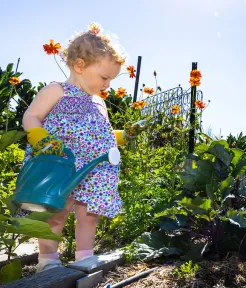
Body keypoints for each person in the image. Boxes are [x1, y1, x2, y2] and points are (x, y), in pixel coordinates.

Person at [22, 23, 145, 273]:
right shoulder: (57, 91)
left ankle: (84, 259)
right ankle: (48, 260)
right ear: (80, 66)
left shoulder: (99, 103)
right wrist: (42, 140)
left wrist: (123, 135)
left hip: (92, 169)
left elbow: (103, 133)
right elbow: (31, 117)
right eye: (104, 77)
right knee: (55, 211)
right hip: (60, 164)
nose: (107, 85)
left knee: (89, 214)